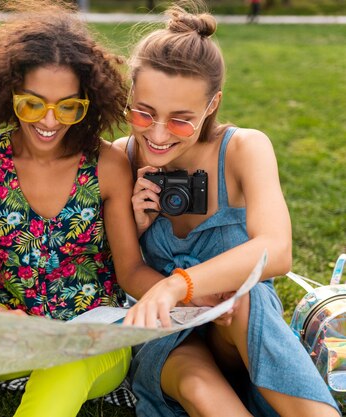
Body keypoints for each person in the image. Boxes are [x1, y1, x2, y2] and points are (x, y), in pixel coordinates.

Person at [0, 0, 160, 416]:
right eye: (33, 104)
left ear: (87, 101)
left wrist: (191, 293)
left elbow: (129, 272)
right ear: (11, 94)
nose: (50, 121)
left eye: (68, 106)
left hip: (88, 343)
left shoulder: (109, 166)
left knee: (70, 359)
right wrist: (4, 320)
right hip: (3, 335)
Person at [115, 2, 340, 416]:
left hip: (242, 324)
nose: (158, 134)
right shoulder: (121, 158)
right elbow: (127, 272)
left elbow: (276, 248)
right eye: (143, 113)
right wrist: (135, 226)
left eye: (181, 120)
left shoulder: (242, 148)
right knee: (201, 390)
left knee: (248, 294)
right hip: (168, 330)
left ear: (212, 103)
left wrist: (177, 284)